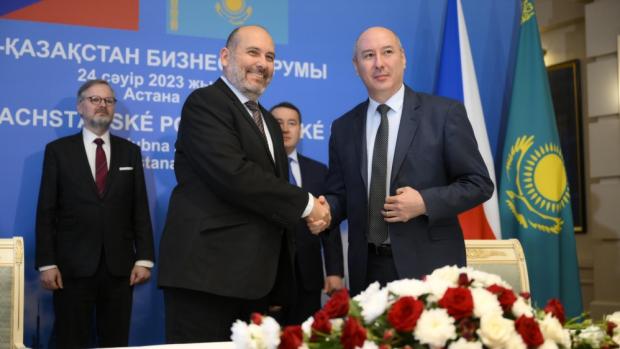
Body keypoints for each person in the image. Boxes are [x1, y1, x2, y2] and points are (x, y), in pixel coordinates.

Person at [157, 25, 331, 343]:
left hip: (254, 282)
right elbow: (234, 175)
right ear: (225, 56)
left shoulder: (267, 121)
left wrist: (280, 280)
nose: (262, 63)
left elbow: (270, 198)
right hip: (205, 276)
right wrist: (307, 205)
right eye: (253, 52)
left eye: (270, 57)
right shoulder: (205, 103)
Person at [325, 27, 494, 297]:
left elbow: (479, 184)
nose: (379, 63)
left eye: (387, 52)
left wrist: (425, 202)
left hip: (430, 267)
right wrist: (324, 210)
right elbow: (341, 195)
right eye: (368, 55)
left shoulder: (444, 114)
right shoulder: (343, 127)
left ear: (402, 58)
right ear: (356, 66)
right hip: (366, 270)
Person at [35, 79, 155, 348]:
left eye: (108, 101)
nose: (102, 105)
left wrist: (144, 258)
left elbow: (140, 209)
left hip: (119, 268)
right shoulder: (58, 152)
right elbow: (46, 210)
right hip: (71, 268)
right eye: (95, 100)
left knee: (115, 341)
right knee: (71, 339)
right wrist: (47, 263)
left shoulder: (131, 153)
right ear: (80, 106)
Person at [270, 102, 344, 325]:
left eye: (291, 123)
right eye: (278, 123)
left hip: (308, 277)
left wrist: (334, 271)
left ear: (301, 130)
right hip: (268, 279)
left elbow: (329, 224)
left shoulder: (318, 171)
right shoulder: (255, 170)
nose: (285, 129)